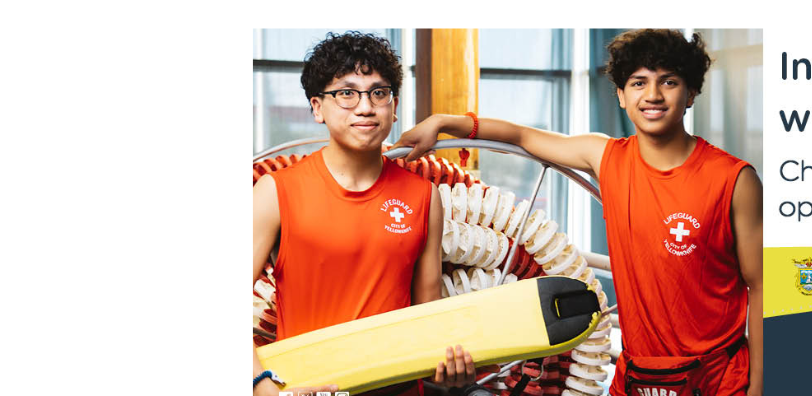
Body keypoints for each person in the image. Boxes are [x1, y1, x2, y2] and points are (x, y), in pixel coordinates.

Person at [398, 29, 764, 396]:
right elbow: (522, 137)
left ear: (691, 93)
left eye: (668, 82)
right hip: (640, 379)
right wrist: (446, 123)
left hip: (717, 379)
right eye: (639, 82)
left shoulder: (734, 179)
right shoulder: (606, 157)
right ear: (621, 96)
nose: (652, 95)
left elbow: (763, 287)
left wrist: (759, 389)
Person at [253, 32, 478, 396]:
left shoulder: (423, 197)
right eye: (346, 93)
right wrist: (262, 388)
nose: (365, 107)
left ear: (394, 104)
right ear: (316, 107)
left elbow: (428, 317)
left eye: (378, 92)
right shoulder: (275, 192)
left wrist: (452, 370)